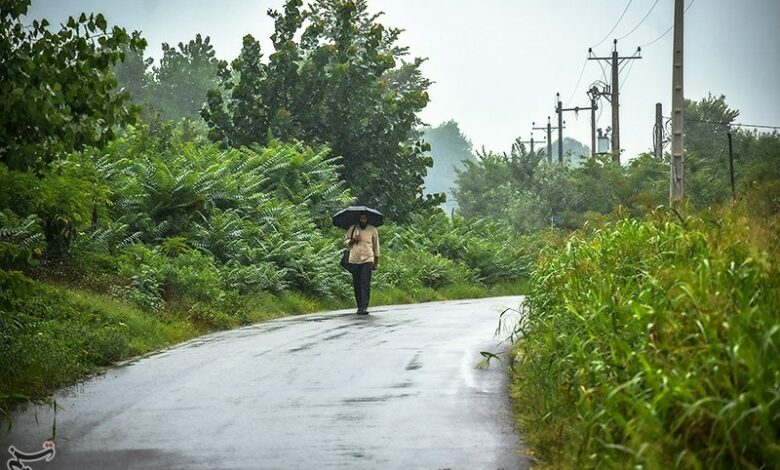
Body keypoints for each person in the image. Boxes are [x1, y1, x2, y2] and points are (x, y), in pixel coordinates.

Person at [344, 212, 380, 314]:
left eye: (364, 218)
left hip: (368, 259)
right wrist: (353, 240)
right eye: (361, 218)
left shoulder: (373, 230)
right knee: (357, 283)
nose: (363, 220)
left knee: (365, 283)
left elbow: (376, 246)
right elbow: (345, 241)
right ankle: (359, 305)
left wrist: (376, 262)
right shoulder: (353, 228)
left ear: (367, 219)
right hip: (354, 259)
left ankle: (364, 306)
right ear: (359, 219)